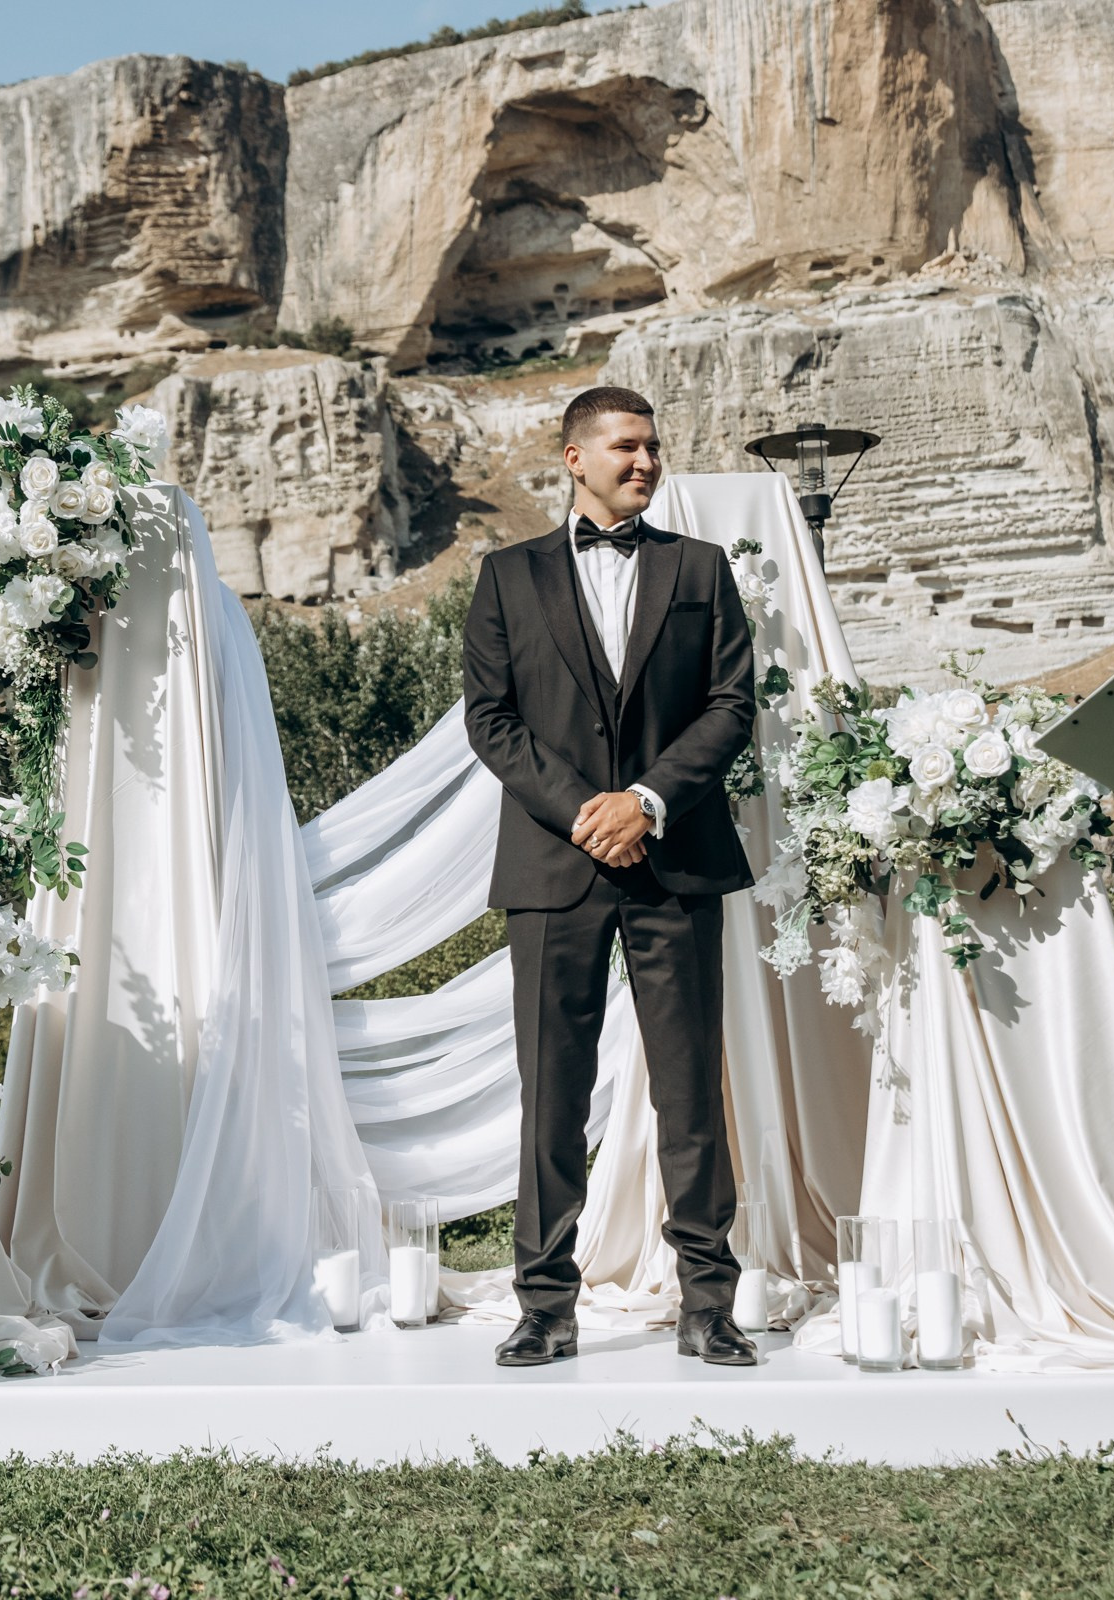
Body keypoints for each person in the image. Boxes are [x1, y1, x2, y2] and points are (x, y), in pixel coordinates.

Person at [462, 385, 760, 1368]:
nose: (646, 461)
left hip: (676, 859)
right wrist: (589, 816)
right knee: (552, 1092)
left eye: (654, 447)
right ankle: (545, 1305)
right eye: (626, 447)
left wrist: (650, 801)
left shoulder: (701, 570)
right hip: (555, 866)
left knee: (690, 1090)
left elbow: (729, 704)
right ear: (573, 457)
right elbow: (491, 720)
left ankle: (709, 1303)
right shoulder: (505, 577)